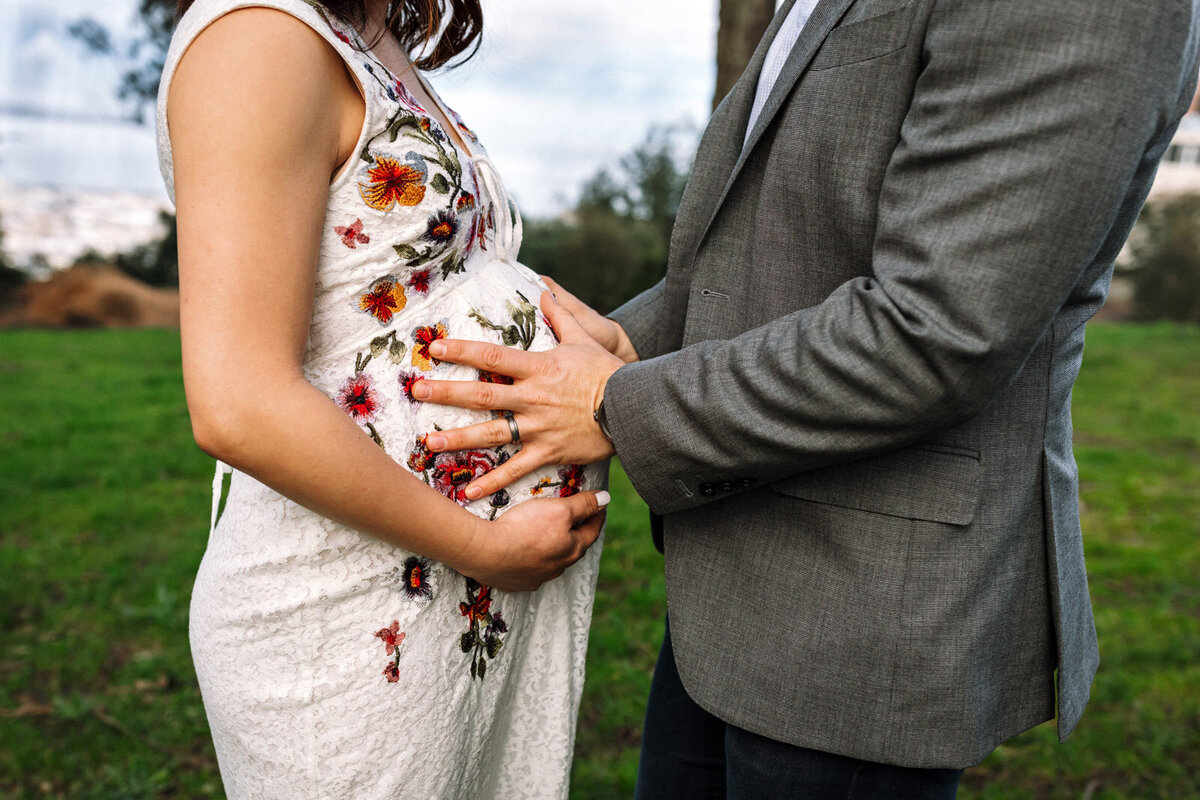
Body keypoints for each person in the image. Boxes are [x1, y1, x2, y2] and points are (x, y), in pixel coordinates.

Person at [411, 0, 1200, 796]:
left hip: (861, 616)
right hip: (728, 591)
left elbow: (935, 332)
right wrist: (587, 360)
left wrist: (618, 405)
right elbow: (759, 260)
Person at [156, 0, 609, 796]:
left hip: (448, 605)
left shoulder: (364, 34)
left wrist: (594, 344)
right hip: (349, 613)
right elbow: (237, 400)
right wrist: (483, 548)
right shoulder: (257, 35)